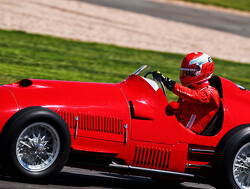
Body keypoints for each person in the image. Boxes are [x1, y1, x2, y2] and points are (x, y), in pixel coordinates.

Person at [155, 52, 220, 134]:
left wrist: (172, 85)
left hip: (190, 136)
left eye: (187, 73)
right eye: (183, 72)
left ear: (200, 72)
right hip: (179, 131)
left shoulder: (210, 92)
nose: (183, 76)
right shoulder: (190, 90)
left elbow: (195, 96)